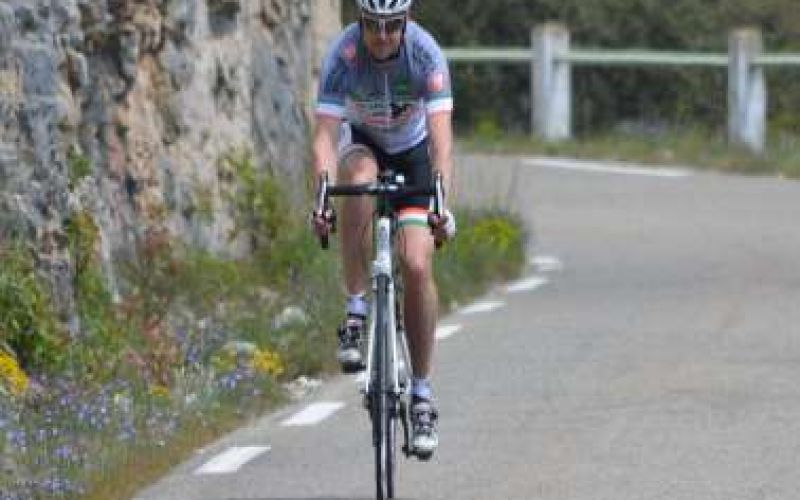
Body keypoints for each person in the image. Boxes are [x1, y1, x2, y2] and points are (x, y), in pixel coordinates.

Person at [310, 0, 455, 459]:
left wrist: (440, 203)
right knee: (357, 183)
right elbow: (325, 135)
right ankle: (356, 310)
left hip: (413, 153)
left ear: (406, 21)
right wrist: (320, 197)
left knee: (416, 263)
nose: (384, 37)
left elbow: (441, 138)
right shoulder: (344, 55)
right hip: (365, 143)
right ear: (361, 22)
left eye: (394, 26)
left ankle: (422, 394)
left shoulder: (426, 54)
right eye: (374, 26)